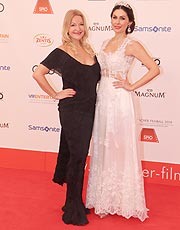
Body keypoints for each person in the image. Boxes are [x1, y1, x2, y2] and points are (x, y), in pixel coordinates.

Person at [86, 1, 160, 222]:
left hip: (119, 100)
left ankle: (124, 201)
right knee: (103, 145)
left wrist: (132, 85)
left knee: (120, 145)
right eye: (114, 17)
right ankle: (104, 199)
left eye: (122, 18)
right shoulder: (105, 42)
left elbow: (154, 68)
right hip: (103, 98)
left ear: (130, 22)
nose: (117, 22)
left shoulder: (132, 44)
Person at [33, 9, 101, 226]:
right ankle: (73, 208)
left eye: (81, 24)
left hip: (90, 109)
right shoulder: (61, 51)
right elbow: (38, 73)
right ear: (66, 28)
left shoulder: (89, 51)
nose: (78, 28)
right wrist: (55, 94)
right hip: (72, 110)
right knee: (78, 158)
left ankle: (74, 202)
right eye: (73, 25)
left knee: (77, 157)